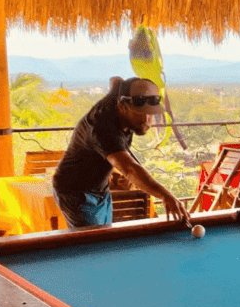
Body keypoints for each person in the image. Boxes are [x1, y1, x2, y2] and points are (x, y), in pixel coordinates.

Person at [52, 76, 189, 229]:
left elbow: (115, 81)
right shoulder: (103, 128)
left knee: (104, 237)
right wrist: (165, 195)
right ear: (122, 106)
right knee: (93, 245)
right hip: (75, 192)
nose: (146, 119)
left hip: (101, 190)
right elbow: (129, 169)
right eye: (140, 113)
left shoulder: (120, 96)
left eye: (150, 113)